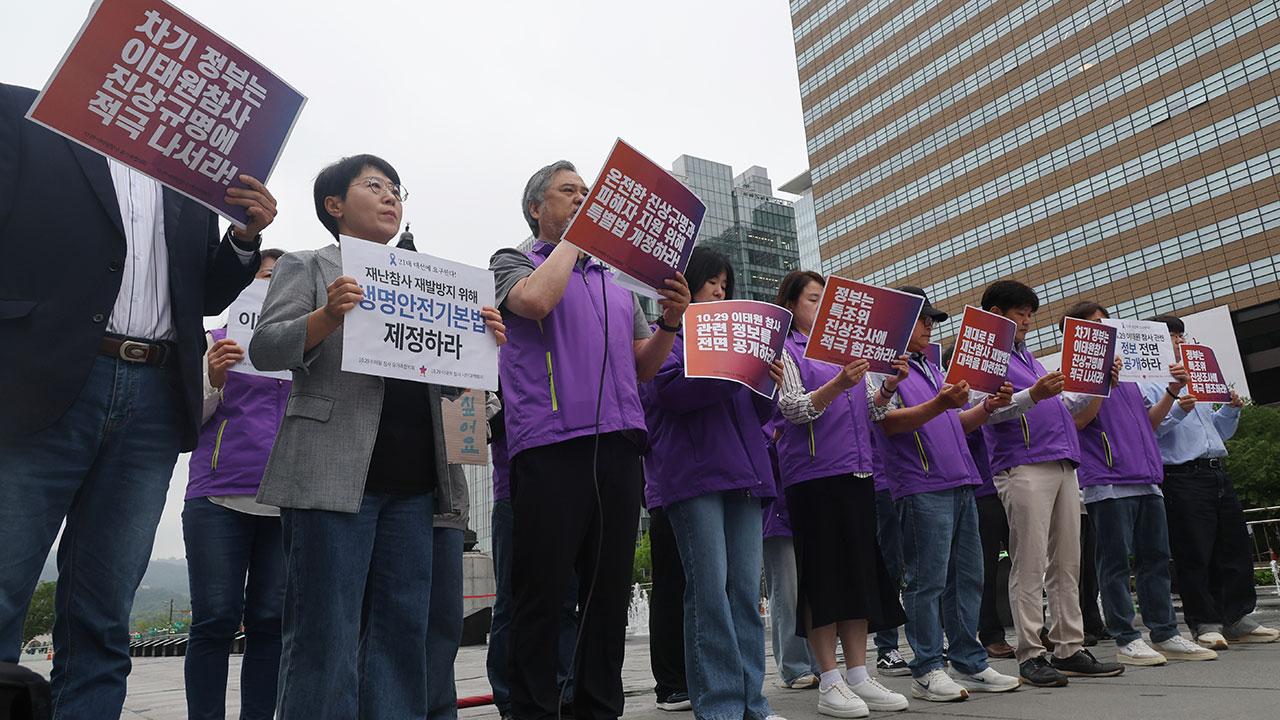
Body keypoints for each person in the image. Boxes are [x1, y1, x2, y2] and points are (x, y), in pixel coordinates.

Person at [0, 82, 274, 718]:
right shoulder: (25, 113)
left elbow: (201, 291)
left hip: (153, 398)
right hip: (39, 380)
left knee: (103, 611)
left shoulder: (186, 166)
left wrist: (242, 239)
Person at [250, 154, 505, 719]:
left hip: (415, 484)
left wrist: (479, 344)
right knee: (324, 635)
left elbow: (446, 387)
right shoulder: (307, 265)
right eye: (375, 186)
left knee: (400, 637)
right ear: (334, 205)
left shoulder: (427, 282)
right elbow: (265, 348)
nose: (392, 197)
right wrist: (327, 317)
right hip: (331, 473)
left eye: (396, 189)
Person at [489, 160, 690, 720]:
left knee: (608, 592)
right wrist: (578, 241)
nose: (583, 198)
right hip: (550, 443)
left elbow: (644, 366)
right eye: (569, 192)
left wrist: (671, 323)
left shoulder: (617, 281)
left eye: (588, 192)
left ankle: (599, 707)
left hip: (620, 445)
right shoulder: (512, 260)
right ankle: (532, 708)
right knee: (544, 592)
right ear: (537, 208)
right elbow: (533, 303)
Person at [639, 247, 784, 720]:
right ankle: (719, 706)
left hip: (743, 474)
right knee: (709, 594)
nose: (720, 290)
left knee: (744, 593)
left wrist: (767, 382)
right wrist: (733, 372)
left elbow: (758, 414)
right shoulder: (671, 333)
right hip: (694, 476)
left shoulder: (738, 339)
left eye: (725, 284)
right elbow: (667, 392)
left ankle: (752, 704)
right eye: (712, 282)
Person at [866, 287, 1022, 702]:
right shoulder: (882, 369)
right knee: (926, 581)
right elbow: (887, 424)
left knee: (967, 577)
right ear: (897, 321)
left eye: (932, 320)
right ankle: (927, 668)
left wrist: (987, 407)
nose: (930, 327)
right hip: (919, 485)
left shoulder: (932, 367)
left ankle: (969, 661)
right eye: (923, 319)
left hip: (959, 481)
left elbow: (956, 423)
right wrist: (940, 403)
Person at [774, 270, 909, 718]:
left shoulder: (849, 354)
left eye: (825, 301)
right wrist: (837, 385)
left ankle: (857, 674)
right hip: (813, 478)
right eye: (813, 300)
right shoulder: (786, 349)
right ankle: (828, 680)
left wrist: (888, 385)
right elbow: (792, 408)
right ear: (792, 305)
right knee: (823, 576)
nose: (821, 308)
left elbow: (873, 411)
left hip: (857, 473)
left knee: (858, 574)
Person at [978, 280, 1124, 687]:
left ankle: (1069, 646)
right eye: (1019, 313)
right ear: (994, 313)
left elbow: (1064, 406)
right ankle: (1030, 652)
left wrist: (1100, 381)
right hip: (1022, 467)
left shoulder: (1031, 360)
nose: (1026, 321)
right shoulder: (985, 358)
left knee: (1066, 562)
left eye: (1029, 314)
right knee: (1028, 561)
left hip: (1062, 464)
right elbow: (981, 412)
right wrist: (1032, 394)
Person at [1058, 302, 1218, 666]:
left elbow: (1150, 424)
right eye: (1097, 324)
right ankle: (1126, 636)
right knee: (1115, 563)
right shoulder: (1072, 373)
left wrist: (1173, 391)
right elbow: (1077, 423)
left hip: (1146, 477)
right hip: (1108, 481)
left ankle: (1165, 632)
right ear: (1079, 333)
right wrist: (1100, 383)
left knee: (1156, 559)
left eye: (1107, 321)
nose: (1107, 328)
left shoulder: (1131, 374)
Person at [183, 250, 287, 720]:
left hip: (287, 500)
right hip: (216, 496)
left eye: (282, 278)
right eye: (264, 274)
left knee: (271, 622)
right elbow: (185, 426)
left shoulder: (311, 343)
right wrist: (213, 378)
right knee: (214, 620)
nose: (271, 283)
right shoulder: (213, 341)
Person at [1141, 315, 1279, 648]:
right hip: (1180, 475)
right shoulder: (1146, 383)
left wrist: (1231, 409)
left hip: (1216, 469)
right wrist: (1176, 408)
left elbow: (1218, 432)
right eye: (1171, 336)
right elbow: (1148, 432)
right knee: (1194, 551)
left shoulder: (1198, 379)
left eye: (1180, 334)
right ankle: (1204, 622)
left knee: (1234, 547)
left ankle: (1236, 617)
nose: (1179, 340)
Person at [486, 392, 580, 720]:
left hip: (564, 491)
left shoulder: (565, 359)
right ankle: (509, 697)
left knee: (566, 597)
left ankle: (564, 690)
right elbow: (488, 425)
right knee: (511, 601)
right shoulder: (496, 354)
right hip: (514, 491)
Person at [762, 420, 821, 690]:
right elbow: (763, 456)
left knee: (814, 592)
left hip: (809, 512)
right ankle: (794, 667)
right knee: (786, 594)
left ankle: (819, 662)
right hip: (778, 514)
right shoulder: (765, 407)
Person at [644, 488, 691, 711]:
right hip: (668, 489)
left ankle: (705, 677)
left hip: (715, 485)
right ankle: (671, 684)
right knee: (670, 586)